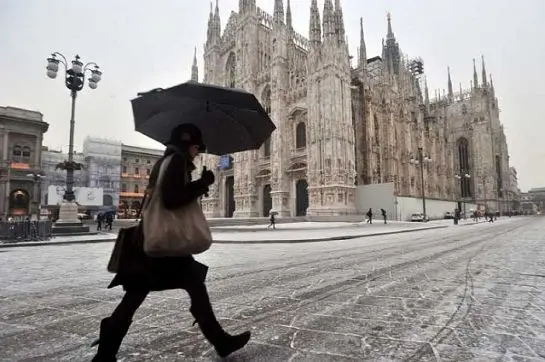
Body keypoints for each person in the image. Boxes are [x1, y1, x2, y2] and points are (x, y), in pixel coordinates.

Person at [91, 124, 250, 361]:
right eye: (197, 146)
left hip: (154, 239)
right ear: (189, 144)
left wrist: (196, 185)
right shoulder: (176, 161)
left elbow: (168, 195)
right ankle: (220, 340)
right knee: (187, 286)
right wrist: (202, 183)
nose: (198, 151)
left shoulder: (164, 161)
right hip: (164, 240)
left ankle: (106, 349)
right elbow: (172, 199)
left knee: (143, 293)